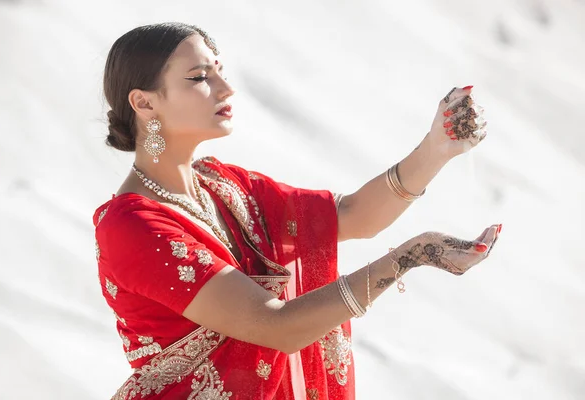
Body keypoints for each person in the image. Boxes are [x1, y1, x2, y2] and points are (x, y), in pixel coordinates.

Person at [93, 22, 500, 400]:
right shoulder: (130, 226)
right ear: (144, 103)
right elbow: (277, 326)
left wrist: (435, 148)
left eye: (220, 71)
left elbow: (354, 215)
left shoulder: (222, 185)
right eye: (200, 78)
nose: (226, 88)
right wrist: (410, 256)